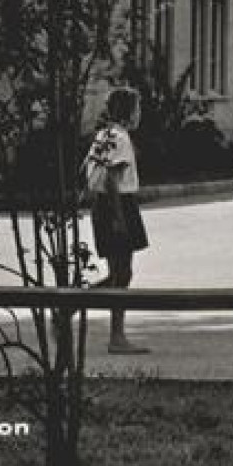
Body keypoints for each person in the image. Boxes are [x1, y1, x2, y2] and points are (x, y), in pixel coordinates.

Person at [85, 87, 150, 354]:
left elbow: (92, 174)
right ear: (128, 112)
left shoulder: (103, 135)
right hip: (117, 203)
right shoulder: (120, 138)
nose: (139, 114)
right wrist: (118, 217)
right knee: (121, 273)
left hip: (103, 203)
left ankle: (69, 306)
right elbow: (111, 178)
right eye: (137, 108)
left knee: (118, 273)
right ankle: (116, 336)